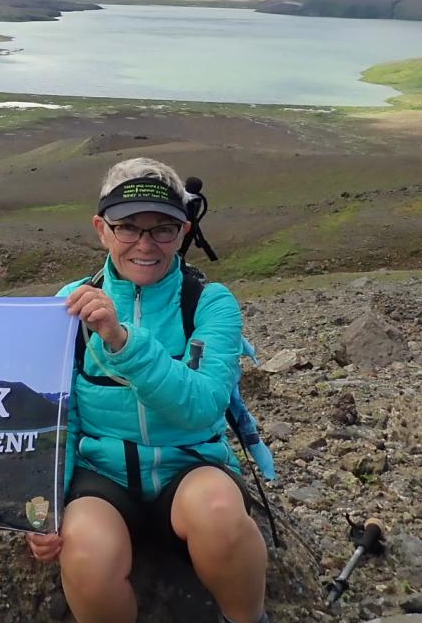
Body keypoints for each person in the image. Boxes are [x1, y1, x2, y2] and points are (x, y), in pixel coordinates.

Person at [27, 157, 268, 623]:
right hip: (103, 478)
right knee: (84, 554)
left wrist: (121, 341)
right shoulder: (71, 302)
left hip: (191, 468)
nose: (145, 244)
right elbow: (57, 418)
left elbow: (202, 407)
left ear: (184, 232)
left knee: (221, 513)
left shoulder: (209, 303)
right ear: (102, 229)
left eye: (163, 229)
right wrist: (42, 511)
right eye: (128, 228)